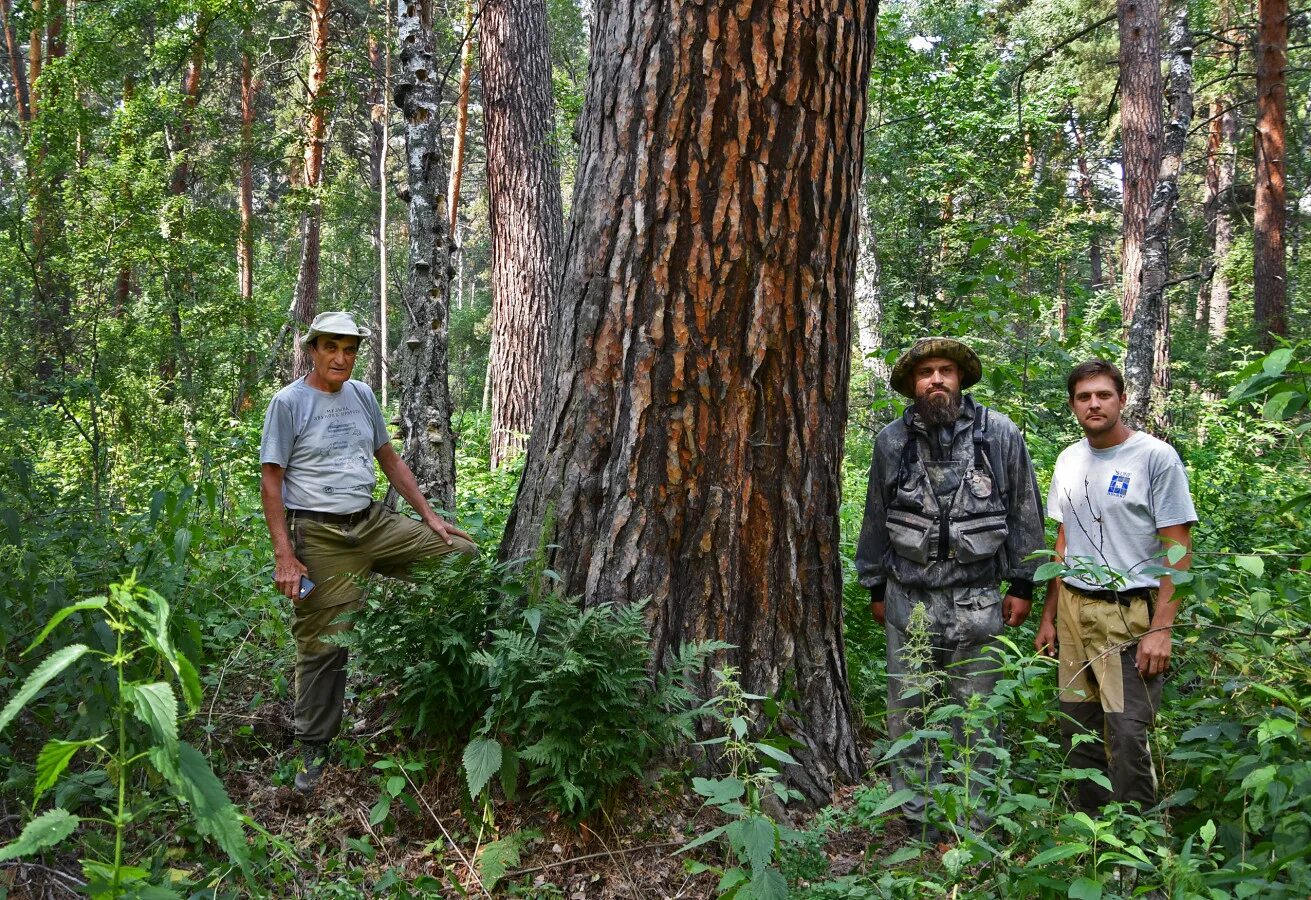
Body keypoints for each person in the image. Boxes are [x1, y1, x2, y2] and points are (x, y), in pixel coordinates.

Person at [260, 311, 477, 793]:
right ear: (313, 349)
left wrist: (429, 516)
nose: (341, 358)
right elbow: (271, 482)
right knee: (324, 644)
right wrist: (285, 555)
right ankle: (313, 749)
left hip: (373, 521)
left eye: (350, 349)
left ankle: (452, 678)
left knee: (462, 557)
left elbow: (389, 458)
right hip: (320, 534)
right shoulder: (289, 403)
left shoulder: (361, 395)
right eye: (331, 347)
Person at [855, 337, 1045, 835]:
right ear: (913, 384)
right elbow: (875, 517)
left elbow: (1026, 511)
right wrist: (875, 588)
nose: (936, 379)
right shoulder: (891, 442)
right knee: (909, 714)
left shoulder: (998, 434)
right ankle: (918, 821)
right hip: (907, 598)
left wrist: (1022, 584)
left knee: (976, 714)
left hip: (978, 599)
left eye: (945, 371)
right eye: (926, 373)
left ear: (961, 378)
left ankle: (973, 823)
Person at [1034, 360, 1195, 814]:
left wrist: (1161, 628)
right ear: (1073, 406)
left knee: (1127, 735)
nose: (1094, 404)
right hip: (1072, 610)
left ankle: (1136, 853)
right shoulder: (1069, 459)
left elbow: (1178, 549)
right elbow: (1063, 542)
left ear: (1122, 400)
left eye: (1103, 395)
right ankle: (1094, 839)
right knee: (1076, 729)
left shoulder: (1153, 458)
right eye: (1084, 397)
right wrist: (1049, 617)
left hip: (1127, 615)